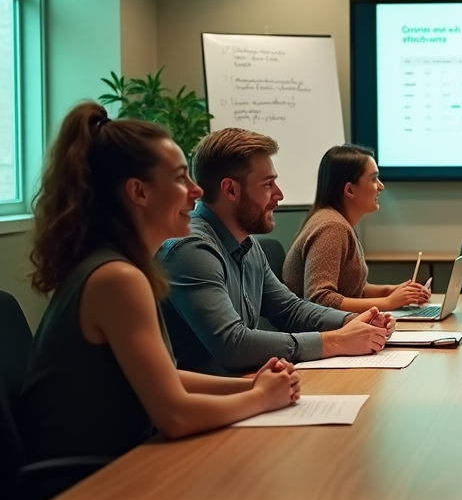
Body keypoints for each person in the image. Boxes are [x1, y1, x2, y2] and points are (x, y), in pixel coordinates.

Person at [19, 102, 300, 475]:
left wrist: (250, 388)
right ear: (139, 192)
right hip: (82, 487)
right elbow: (175, 416)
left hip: (115, 465)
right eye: (181, 178)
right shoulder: (118, 279)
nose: (196, 191)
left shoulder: (117, 267)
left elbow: (166, 377)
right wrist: (262, 398)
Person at [158, 129, 392, 376]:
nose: (279, 195)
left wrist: (353, 321)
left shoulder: (246, 243)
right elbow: (232, 345)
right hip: (208, 406)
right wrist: (337, 340)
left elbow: (290, 310)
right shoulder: (191, 249)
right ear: (230, 190)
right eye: (268, 184)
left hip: (245, 390)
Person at [283, 144, 430, 313]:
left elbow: (353, 289)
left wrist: (394, 292)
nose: (381, 186)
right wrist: (388, 302)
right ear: (350, 190)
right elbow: (320, 299)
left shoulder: (338, 222)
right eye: (374, 179)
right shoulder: (332, 228)